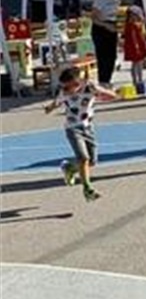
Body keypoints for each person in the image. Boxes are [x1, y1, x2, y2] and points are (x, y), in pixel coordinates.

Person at [44, 67, 117, 201]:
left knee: (92, 161)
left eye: (68, 86)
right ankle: (87, 189)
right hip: (72, 129)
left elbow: (109, 95)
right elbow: (57, 102)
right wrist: (49, 107)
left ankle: (70, 168)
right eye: (64, 86)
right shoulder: (64, 92)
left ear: (77, 82)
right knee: (83, 158)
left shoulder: (90, 87)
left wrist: (108, 93)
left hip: (88, 128)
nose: (65, 89)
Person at [90, 0, 126, 87]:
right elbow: (94, 17)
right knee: (102, 56)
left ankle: (107, 80)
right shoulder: (101, 0)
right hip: (100, 27)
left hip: (112, 25)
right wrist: (106, 25)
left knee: (112, 56)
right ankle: (103, 80)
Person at [122, 6, 146, 90]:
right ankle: (136, 80)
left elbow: (142, 25)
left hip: (138, 44)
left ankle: (139, 78)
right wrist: (136, 45)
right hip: (134, 45)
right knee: (136, 63)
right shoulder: (130, 25)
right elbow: (133, 36)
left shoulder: (135, 23)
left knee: (139, 63)